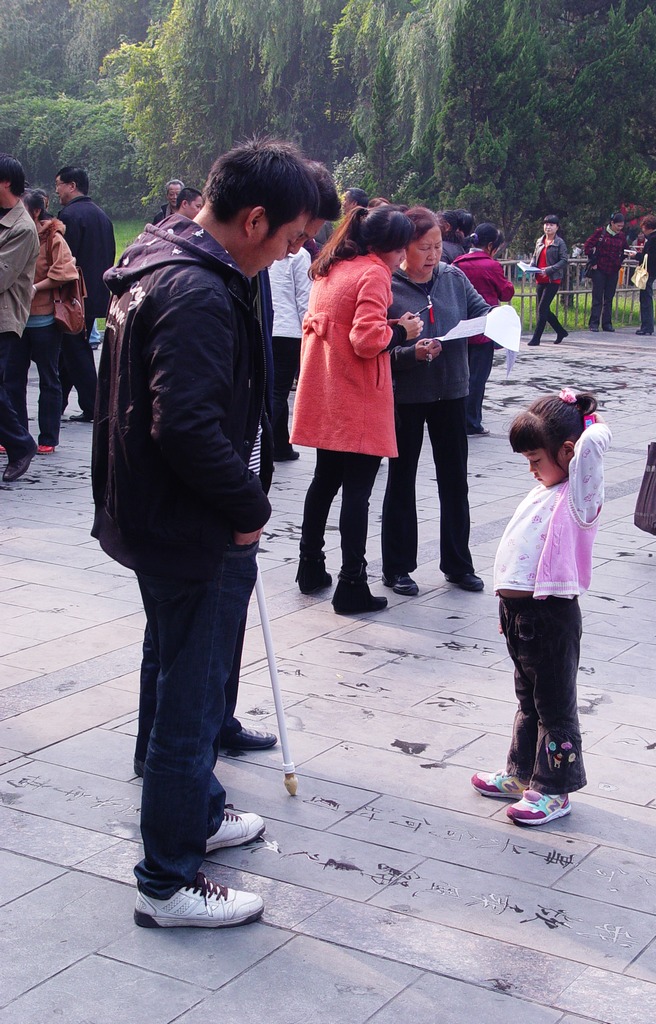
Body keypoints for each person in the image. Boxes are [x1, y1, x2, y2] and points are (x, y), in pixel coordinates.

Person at [92, 138, 319, 928]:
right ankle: (168, 880)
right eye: (292, 238)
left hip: (158, 514)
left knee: (179, 669)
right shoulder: (194, 289)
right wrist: (248, 510)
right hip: (194, 524)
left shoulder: (160, 252)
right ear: (254, 219)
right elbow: (184, 425)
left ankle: (197, 811)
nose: (294, 253)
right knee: (192, 696)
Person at [471, 389, 611, 825]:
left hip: (551, 617)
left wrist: (586, 414)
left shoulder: (578, 493)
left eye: (536, 460)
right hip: (520, 619)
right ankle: (521, 773)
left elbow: (592, 445)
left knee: (554, 705)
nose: (532, 470)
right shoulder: (547, 488)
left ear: (568, 452)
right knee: (528, 699)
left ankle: (555, 788)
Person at [291, 205, 422, 613]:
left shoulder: (332, 267)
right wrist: (401, 329)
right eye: (402, 249)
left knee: (324, 482)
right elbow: (367, 340)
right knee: (358, 494)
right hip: (358, 398)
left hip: (326, 393)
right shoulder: (374, 273)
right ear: (390, 246)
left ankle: (310, 566)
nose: (403, 257)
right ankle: (352, 583)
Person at [381, 206, 491, 597]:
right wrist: (412, 352)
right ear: (403, 248)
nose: (432, 255)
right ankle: (397, 568)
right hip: (407, 396)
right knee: (401, 480)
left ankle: (458, 564)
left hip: (452, 391)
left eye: (437, 246)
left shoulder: (454, 277)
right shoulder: (387, 286)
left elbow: (483, 314)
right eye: (423, 247)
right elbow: (379, 352)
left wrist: (497, 321)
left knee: (454, 481)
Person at [269, 161, 342, 462]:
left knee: (274, 390)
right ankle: (271, 440)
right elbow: (305, 301)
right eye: (298, 236)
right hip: (287, 331)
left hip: (274, 328)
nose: (296, 245)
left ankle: (278, 444)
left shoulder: (287, 252)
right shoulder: (295, 256)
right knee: (276, 392)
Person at [5, 191, 78, 454]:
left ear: (35, 212)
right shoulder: (14, 234)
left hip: (44, 319)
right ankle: (15, 434)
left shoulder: (53, 238)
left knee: (49, 377)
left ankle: (48, 437)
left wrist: (35, 288)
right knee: (12, 379)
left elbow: (65, 272)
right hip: (16, 320)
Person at [55, 165, 116, 422]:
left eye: (59, 184)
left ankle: (95, 406)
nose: (56, 189)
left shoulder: (69, 216)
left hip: (74, 295)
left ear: (72, 185)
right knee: (71, 350)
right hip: (96, 294)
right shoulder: (102, 215)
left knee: (76, 350)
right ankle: (58, 403)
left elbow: (64, 260)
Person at [453, 223, 515, 434]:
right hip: (483, 330)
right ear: (490, 246)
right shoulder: (491, 266)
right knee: (478, 378)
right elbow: (506, 293)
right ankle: (472, 422)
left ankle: (458, 419)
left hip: (460, 329)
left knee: (461, 376)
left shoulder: (458, 263)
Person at [0, 154, 39, 482]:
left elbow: (2, 276)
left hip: (4, 320)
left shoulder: (23, 228)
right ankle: (19, 443)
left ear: (5, 182)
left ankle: (21, 443)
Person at [527, 215, 569, 347]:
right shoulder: (540, 241)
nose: (548, 227)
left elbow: (564, 260)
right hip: (540, 278)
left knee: (542, 308)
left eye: (551, 225)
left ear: (557, 227)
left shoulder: (560, 242)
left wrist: (550, 269)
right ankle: (560, 331)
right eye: (546, 224)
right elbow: (535, 257)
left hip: (553, 280)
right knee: (543, 309)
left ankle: (536, 338)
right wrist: (531, 266)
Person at [584, 212, 627, 332]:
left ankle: (607, 323)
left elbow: (625, 250)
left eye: (621, 226)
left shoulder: (621, 236)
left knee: (609, 298)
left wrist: (619, 260)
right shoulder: (601, 232)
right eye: (618, 226)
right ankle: (594, 323)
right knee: (597, 297)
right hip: (600, 269)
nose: (619, 228)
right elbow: (587, 246)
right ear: (612, 223)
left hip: (613, 270)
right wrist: (593, 262)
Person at [634, 215, 656, 336]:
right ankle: (647, 326)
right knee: (647, 297)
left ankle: (646, 326)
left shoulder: (653, 239)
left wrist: (636, 255)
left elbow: (648, 257)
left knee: (646, 299)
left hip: (648, 271)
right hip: (653, 270)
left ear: (647, 227)